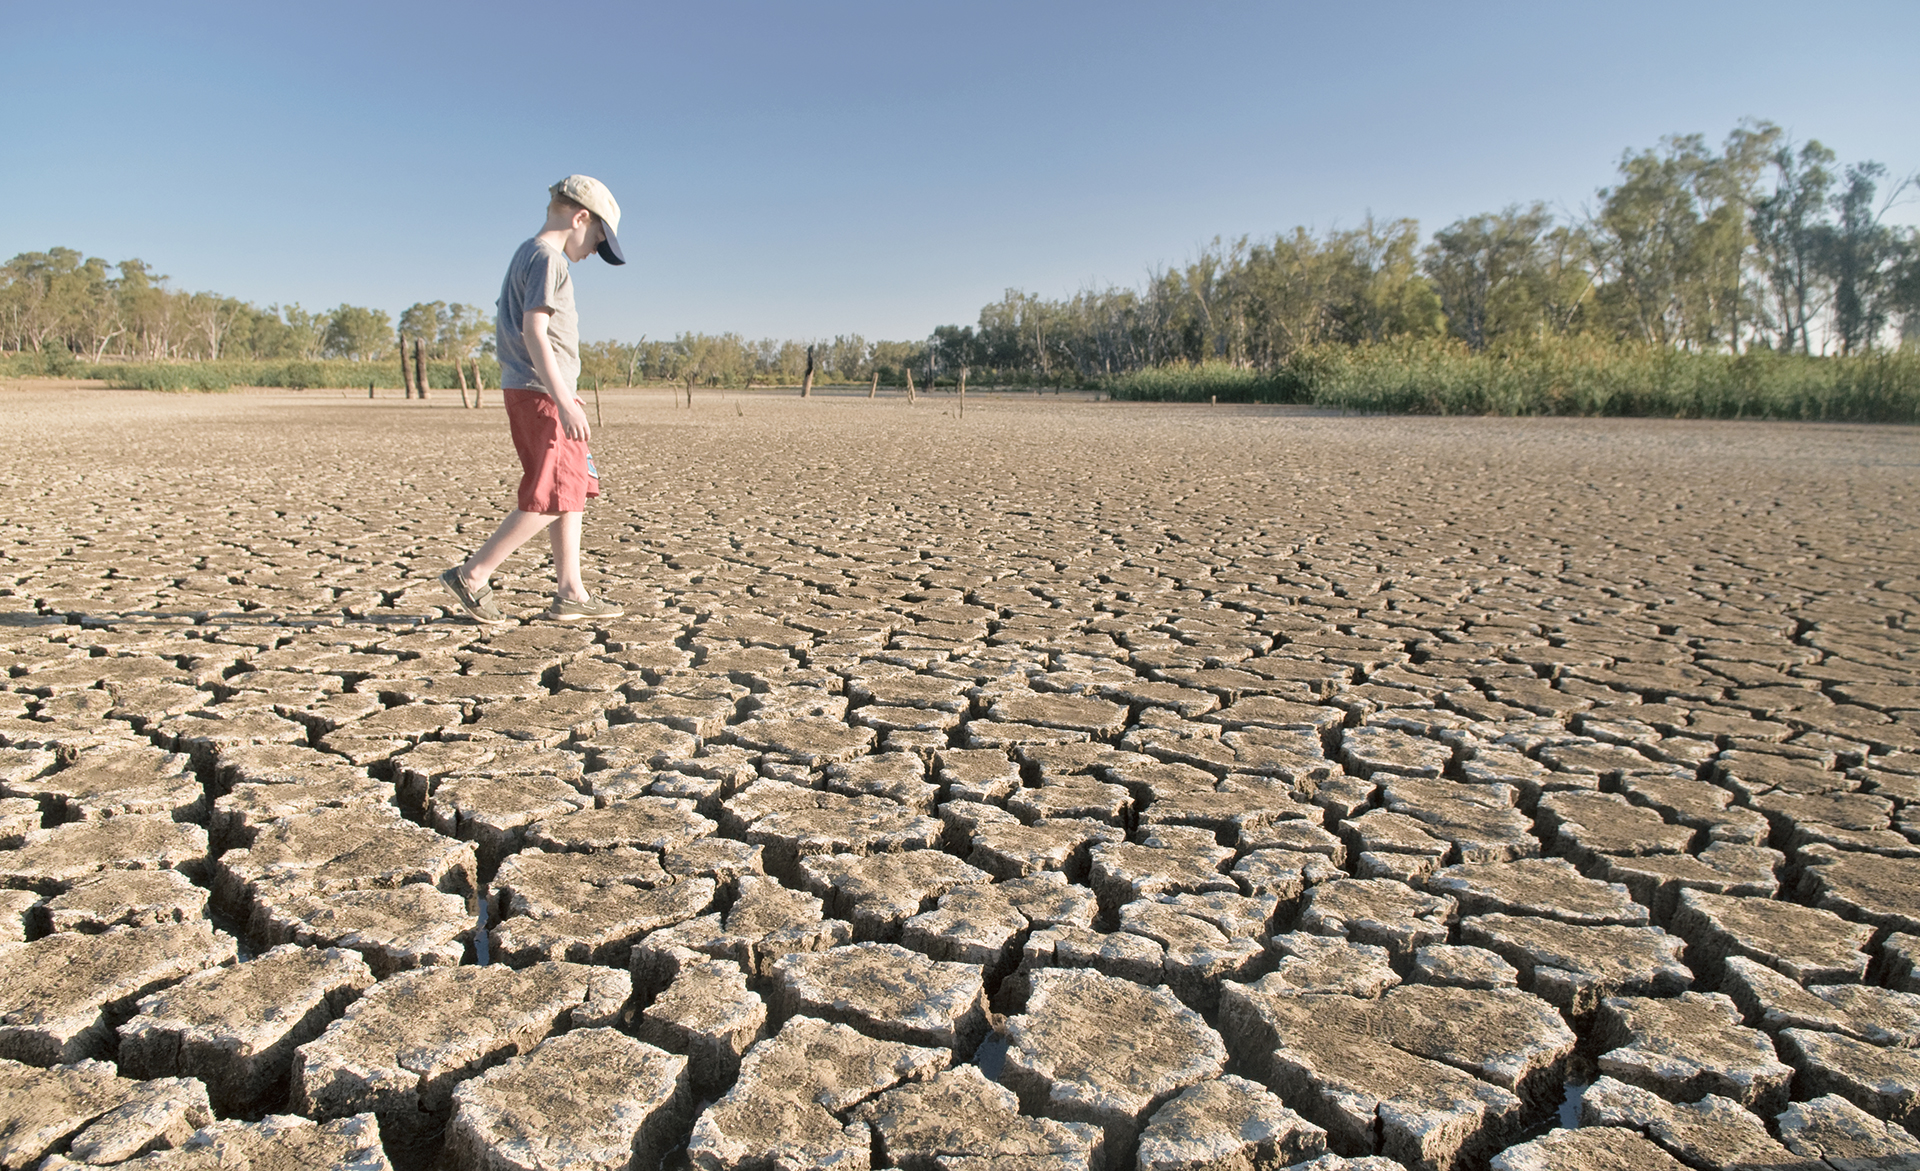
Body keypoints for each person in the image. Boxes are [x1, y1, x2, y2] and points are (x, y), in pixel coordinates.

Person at [441, 175, 628, 624]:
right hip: (541, 393)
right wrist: (561, 398)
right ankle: (472, 575)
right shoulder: (548, 259)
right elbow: (534, 331)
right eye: (597, 240)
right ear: (580, 217)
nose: (592, 253)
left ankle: (571, 592)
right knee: (550, 494)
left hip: (542, 390)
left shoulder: (528, 253)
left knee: (574, 488)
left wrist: (565, 390)